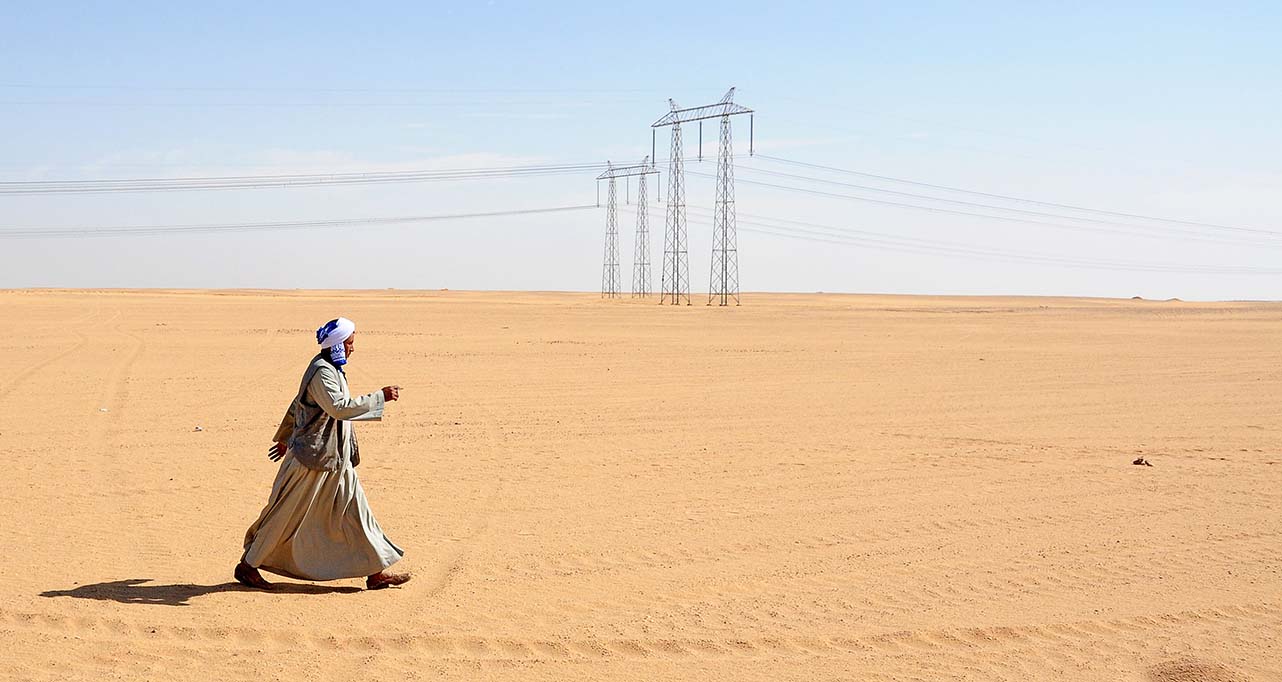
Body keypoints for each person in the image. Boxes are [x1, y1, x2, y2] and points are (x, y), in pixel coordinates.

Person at [235, 317, 411, 591]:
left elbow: (300, 406)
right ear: (338, 345)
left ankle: (376, 572)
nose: (353, 349)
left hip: (336, 461)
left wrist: (285, 437)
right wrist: (379, 397)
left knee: (357, 512)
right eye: (350, 344)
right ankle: (248, 566)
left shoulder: (333, 369)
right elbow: (338, 408)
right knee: (286, 513)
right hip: (313, 460)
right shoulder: (322, 372)